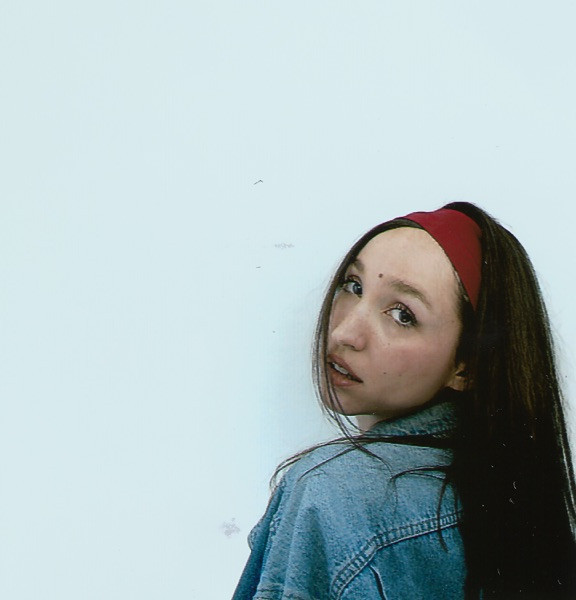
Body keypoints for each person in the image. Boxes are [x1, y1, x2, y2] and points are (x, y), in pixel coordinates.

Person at [232, 202, 576, 599]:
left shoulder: (329, 495)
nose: (345, 333)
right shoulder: (514, 508)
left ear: (466, 367)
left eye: (402, 315)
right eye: (353, 286)